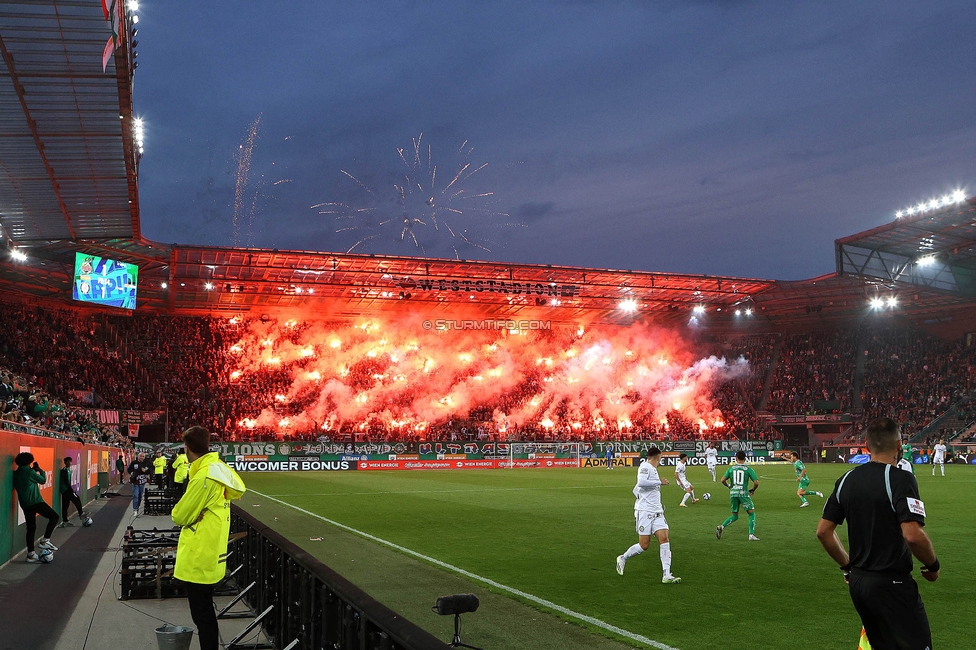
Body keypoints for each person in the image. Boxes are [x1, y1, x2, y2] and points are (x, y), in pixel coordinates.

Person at [817, 418, 939, 650]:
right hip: (892, 584)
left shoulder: (846, 480)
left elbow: (823, 532)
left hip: (859, 584)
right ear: (899, 444)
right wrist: (933, 565)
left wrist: (848, 567)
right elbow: (912, 535)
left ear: (866, 446)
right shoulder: (901, 479)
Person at [172, 426, 246, 650]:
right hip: (211, 551)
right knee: (205, 613)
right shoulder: (218, 468)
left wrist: (192, 516)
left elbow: (179, 515)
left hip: (199, 554)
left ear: (187, 449)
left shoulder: (204, 476)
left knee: (202, 615)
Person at [614, 447, 681, 584]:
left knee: (664, 538)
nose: (660, 461)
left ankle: (666, 574)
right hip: (644, 512)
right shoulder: (645, 466)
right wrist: (659, 482)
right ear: (658, 457)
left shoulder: (653, 469)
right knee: (644, 545)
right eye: (660, 458)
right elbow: (641, 483)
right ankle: (623, 557)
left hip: (657, 511)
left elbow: (637, 489)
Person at [12, 452, 59, 563]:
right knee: (54, 517)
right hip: (36, 501)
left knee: (31, 528)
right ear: (29, 461)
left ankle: (31, 554)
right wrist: (40, 470)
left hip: (25, 504)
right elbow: (42, 480)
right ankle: (45, 540)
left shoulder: (16, 473)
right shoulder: (30, 471)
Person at [716, 450, 760, 541]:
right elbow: (756, 482)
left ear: (736, 458)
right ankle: (751, 535)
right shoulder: (748, 469)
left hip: (733, 493)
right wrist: (752, 490)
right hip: (743, 493)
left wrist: (729, 486)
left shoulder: (731, 469)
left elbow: (722, 480)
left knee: (735, 515)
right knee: (751, 513)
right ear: (745, 458)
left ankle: (722, 526)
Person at [58, 457, 89, 526]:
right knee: (76, 498)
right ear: (65, 463)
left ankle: (65, 520)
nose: (69, 463)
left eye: (70, 462)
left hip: (67, 489)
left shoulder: (69, 470)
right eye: (67, 462)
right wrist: (71, 489)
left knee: (66, 505)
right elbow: (66, 481)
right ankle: (81, 513)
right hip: (66, 489)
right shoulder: (64, 470)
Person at [127, 451, 152, 516]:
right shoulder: (134, 463)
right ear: (138, 456)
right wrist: (132, 473)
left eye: (143, 456)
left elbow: (150, 471)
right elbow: (129, 469)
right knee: (136, 495)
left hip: (142, 482)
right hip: (135, 482)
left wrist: (146, 471)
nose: (142, 457)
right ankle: (135, 510)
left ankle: (137, 508)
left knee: (140, 496)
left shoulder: (146, 463)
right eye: (140, 456)